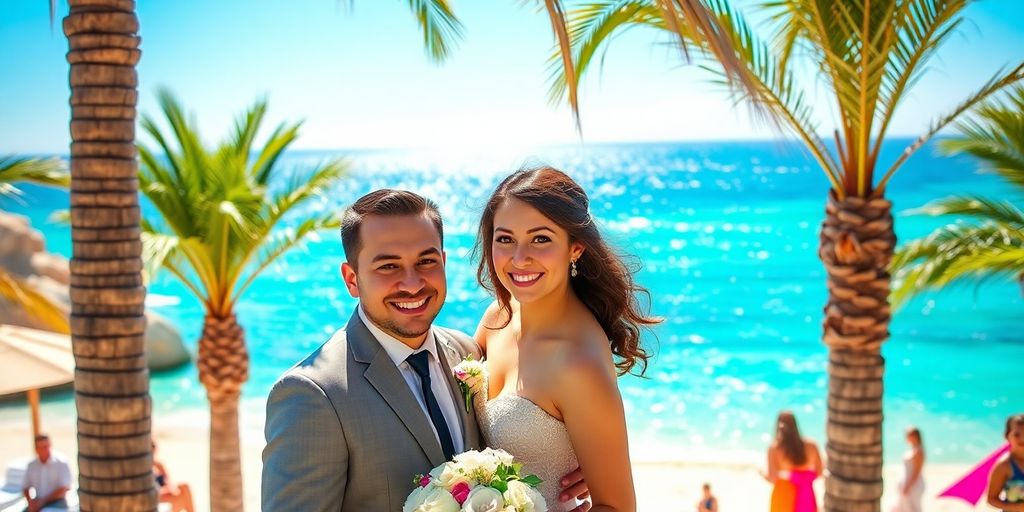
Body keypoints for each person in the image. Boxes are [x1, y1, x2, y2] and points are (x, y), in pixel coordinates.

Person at [261, 189, 589, 511]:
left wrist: (566, 458)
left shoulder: (466, 352)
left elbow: (510, 432)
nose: (413, 283)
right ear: (351, 279)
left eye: (426, 261)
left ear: (444, 262)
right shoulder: (311, 395)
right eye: (388, 266)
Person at [473, 167, 659, 511]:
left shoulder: (577, 363)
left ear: (575, 248)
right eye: (505, 239)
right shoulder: (496, 319)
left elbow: (618, 507)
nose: (519, 257)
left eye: (540, 239)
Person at [762, 411, 823, 512]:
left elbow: (773, 478)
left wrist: (761, 474)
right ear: (795, 425)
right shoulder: (812, 445)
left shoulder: (774, 449)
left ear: (778, 426)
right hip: (806, 494)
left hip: (783, 495)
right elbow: (819, 472)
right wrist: (802, 477)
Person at [21, 434, 71, 512]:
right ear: (36, 449)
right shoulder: (31, 465)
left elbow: (64, 488)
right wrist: (30, 502)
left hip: (57, 502)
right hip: (37, 501)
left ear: (50, 445)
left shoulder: (61, 463)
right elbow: (25, 487)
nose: (44, 450)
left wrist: (42, 502)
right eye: (40, 447)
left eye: (46, 446)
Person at [987, 413, 1024, 512]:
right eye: (1017, 434)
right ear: (1007, 436)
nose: (1023, 439)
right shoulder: (1004, 466)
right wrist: (1017, 507)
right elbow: (991, 499)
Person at [152, 441, 194, 512]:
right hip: (156, 500)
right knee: (184, 494)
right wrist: (164, 490)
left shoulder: (159, 466)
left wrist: (171, 489)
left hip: (165, 495)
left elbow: (169, 483)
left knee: (184, 487)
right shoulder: (143, 471)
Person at [891, 426, 924, 512]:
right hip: (907, 484)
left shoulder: (919, 451)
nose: (907, 437)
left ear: (916, 436)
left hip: (912, 485)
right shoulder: (913, 449)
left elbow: (917, 471)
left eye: (910, 435)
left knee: (912, 508)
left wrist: (908, 485)